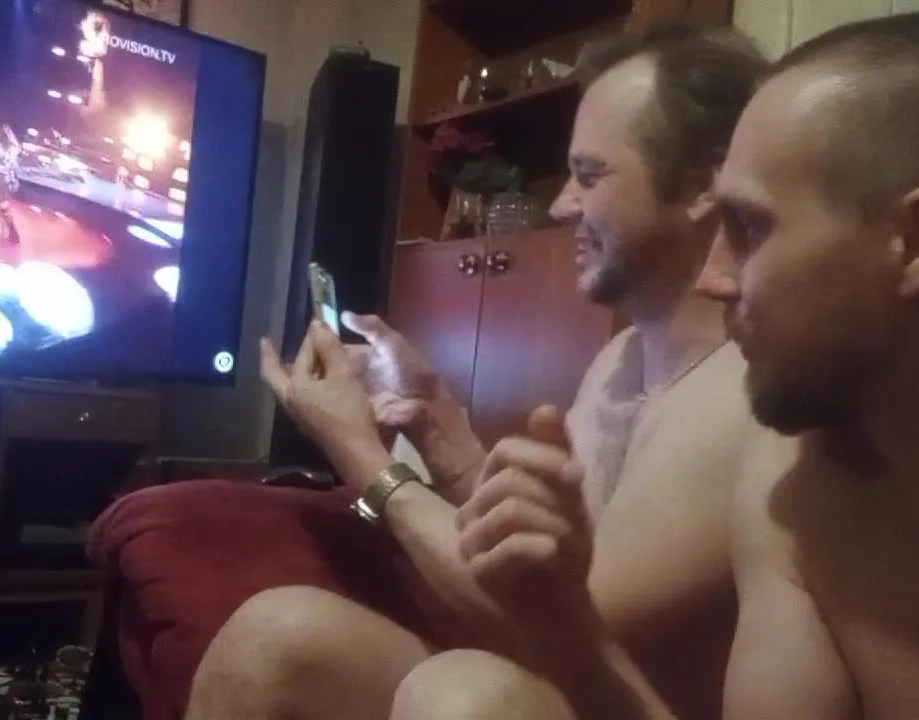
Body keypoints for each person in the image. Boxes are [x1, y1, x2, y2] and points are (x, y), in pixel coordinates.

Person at [389, 8, 919, 719]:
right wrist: (560, 619)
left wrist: (377, 472)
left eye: (749, 227)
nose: (713, 278)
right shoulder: (793, 489)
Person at [186, 25, 770, 720]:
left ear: (703, 186)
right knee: (273, 636)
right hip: (562, 689)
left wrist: (361, 455)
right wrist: (434, 418)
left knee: (462, 692)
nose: (560, 205)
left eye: (589, 177)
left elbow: (558, 620)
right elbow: (535, 553)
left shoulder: (744, 394)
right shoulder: (621, 358)